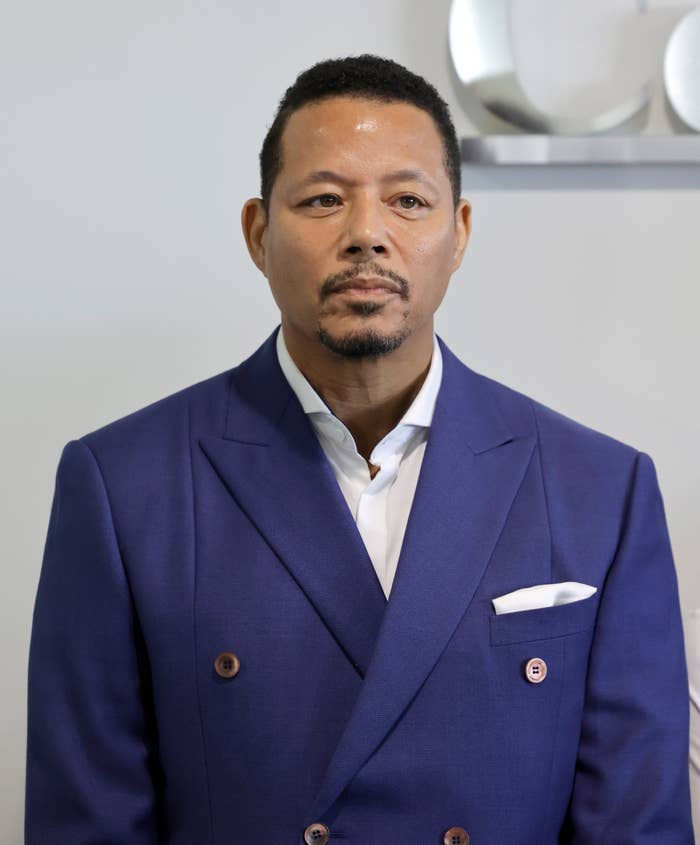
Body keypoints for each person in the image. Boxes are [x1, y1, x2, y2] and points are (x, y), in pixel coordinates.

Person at [25, 54, 694, 844]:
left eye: (408, 200)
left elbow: (638, 825)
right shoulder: (123, 487)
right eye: (323, 199)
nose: (367, 234)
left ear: (459, 232)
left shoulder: (603, 490)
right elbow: (86, 823)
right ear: (258, 233)